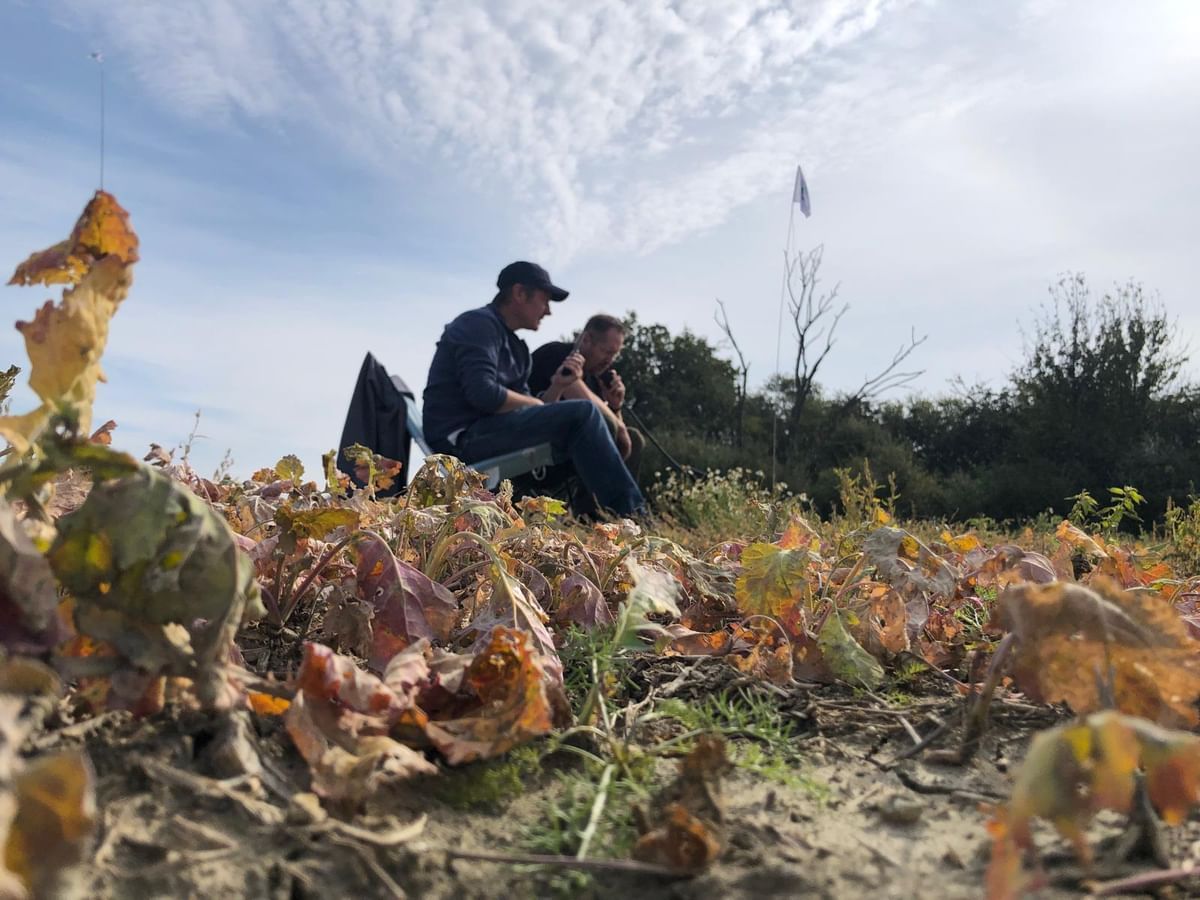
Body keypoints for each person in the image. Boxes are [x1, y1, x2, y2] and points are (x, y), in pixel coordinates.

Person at [422, 261, 646, 516]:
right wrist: (538, 404)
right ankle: (630, 514)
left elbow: (529, 407)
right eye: (545, 301)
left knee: (583, 418)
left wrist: (557, 387)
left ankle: (601, 516)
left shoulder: (517, 348)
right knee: (584, 412)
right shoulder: (478, 324)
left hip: (488, 432)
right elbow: (483, 394)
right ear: (519, 293)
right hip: (461, 438)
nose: (548, 311)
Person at [528, 315, 644, 480]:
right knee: (608, 427)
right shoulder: (558, 355)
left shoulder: (594, 379)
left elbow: (622, 438)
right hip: (537, 449)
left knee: (635, 438)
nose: (609, 361)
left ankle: (605, 497)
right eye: (606, 352)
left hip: (572, 449)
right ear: (587, 340)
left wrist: (615, 407)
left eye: (615, 355)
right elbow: (585, 401)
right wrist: (618, 426)